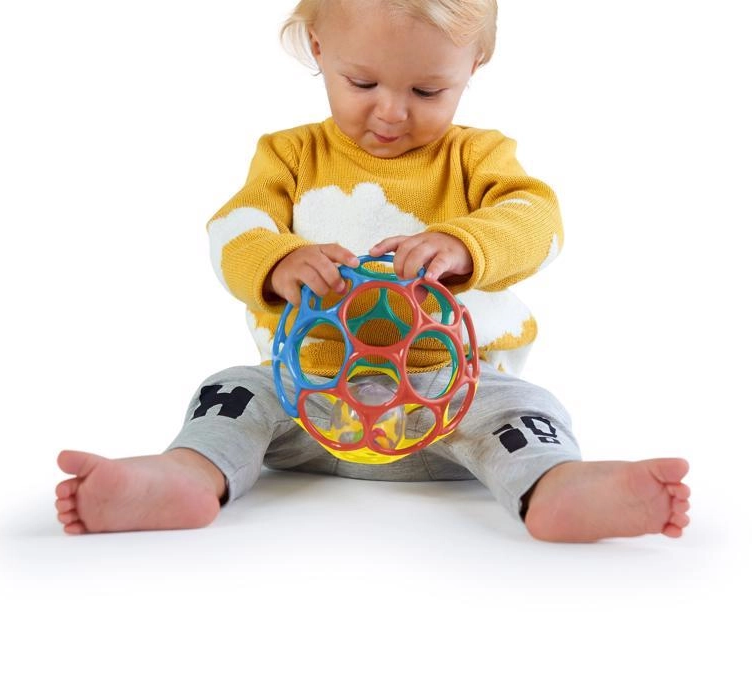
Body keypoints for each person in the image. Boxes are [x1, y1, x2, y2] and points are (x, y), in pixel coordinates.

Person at [55, 0, 690, 542]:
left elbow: (539, 219)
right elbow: (233, 229)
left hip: (452, 398)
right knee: (231, 392)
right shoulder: (290, 155)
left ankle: (555, 487)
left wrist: (464, 243)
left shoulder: (478, 156)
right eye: (362, 83)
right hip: (307, 396)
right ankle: (186, 476)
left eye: (426, 91)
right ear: (318, 46)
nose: (390, 112)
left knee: (528, 409)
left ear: (474, 65)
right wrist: (277, 262)